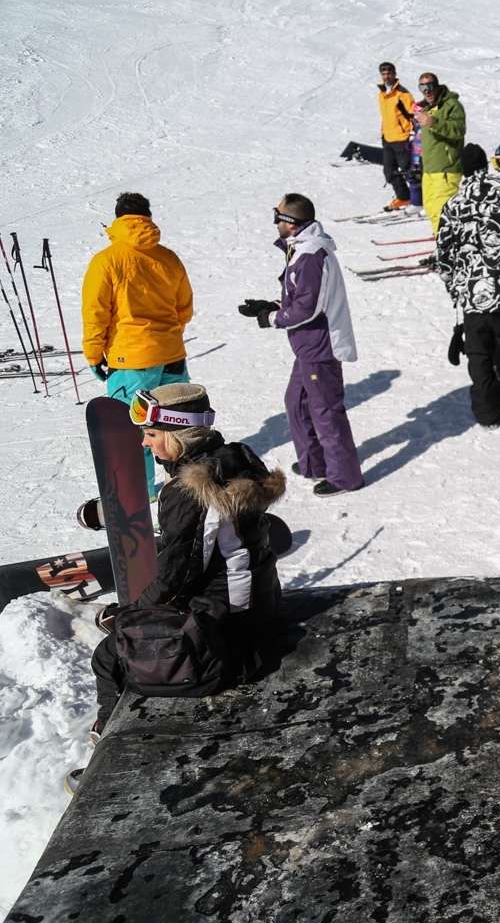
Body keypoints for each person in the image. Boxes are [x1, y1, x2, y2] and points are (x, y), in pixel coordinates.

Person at [71, 383, 285, 795]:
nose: (145, 443)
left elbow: (178, 574)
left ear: (179, 432)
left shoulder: (191, 489)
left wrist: (132, 615)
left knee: (110, 655)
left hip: (229, 618)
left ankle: (104, 764)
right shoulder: (233, 459)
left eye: (152, 434)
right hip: (260, 596)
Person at [238, 194, 363, 497]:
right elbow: (304, 298)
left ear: (291, 223)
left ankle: (344, 476)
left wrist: (271, 317)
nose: (275, 222)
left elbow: (307, 308)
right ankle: (315, 462)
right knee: (296, 402)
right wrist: (272, 304)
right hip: (307, 346)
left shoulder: (310, 255)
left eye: (277, 216)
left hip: (320, 346)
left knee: (325, 411)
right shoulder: (301, 250)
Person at [81, 192, 194, 498]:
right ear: (148, 218)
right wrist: (166, 337)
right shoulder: (168, 258)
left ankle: (140, 503)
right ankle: (185, 493)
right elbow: (185, 308)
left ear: (118, 220)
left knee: (134, 433)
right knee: (175, 427)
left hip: (131, 361)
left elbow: (95, 314)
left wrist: (94, 354)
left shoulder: (106, 260)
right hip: (172, 356)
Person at [437, 144, 500, 431]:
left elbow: (444, 257)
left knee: (479, 357)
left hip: (474, 298)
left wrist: (457, 290)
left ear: (462, 171)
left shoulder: (453, 205)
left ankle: (487, 415)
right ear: (486, 166)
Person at [415, 72, 466, 236]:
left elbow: (459, 130)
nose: (426, 91)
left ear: (437, 86)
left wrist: (434, 122)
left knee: (443, 211)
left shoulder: (452, 105)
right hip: (429, 169)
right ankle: (442, 246)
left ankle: (448, 251)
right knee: (430, 208)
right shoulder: (427, 108)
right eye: (422, 88)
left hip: (446, 168)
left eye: (429, 87)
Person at [376, 62, 415, 210]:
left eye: (389, 74)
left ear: (395, 74)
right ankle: (404, 197)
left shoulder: (402, 93)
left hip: (401, 137)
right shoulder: (382, 94)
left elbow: (412, 114)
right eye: (384, 74)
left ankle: (419, 197)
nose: (387, 77)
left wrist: (411, 133)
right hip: (387, 137)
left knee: (407, 170)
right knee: (389, 171)